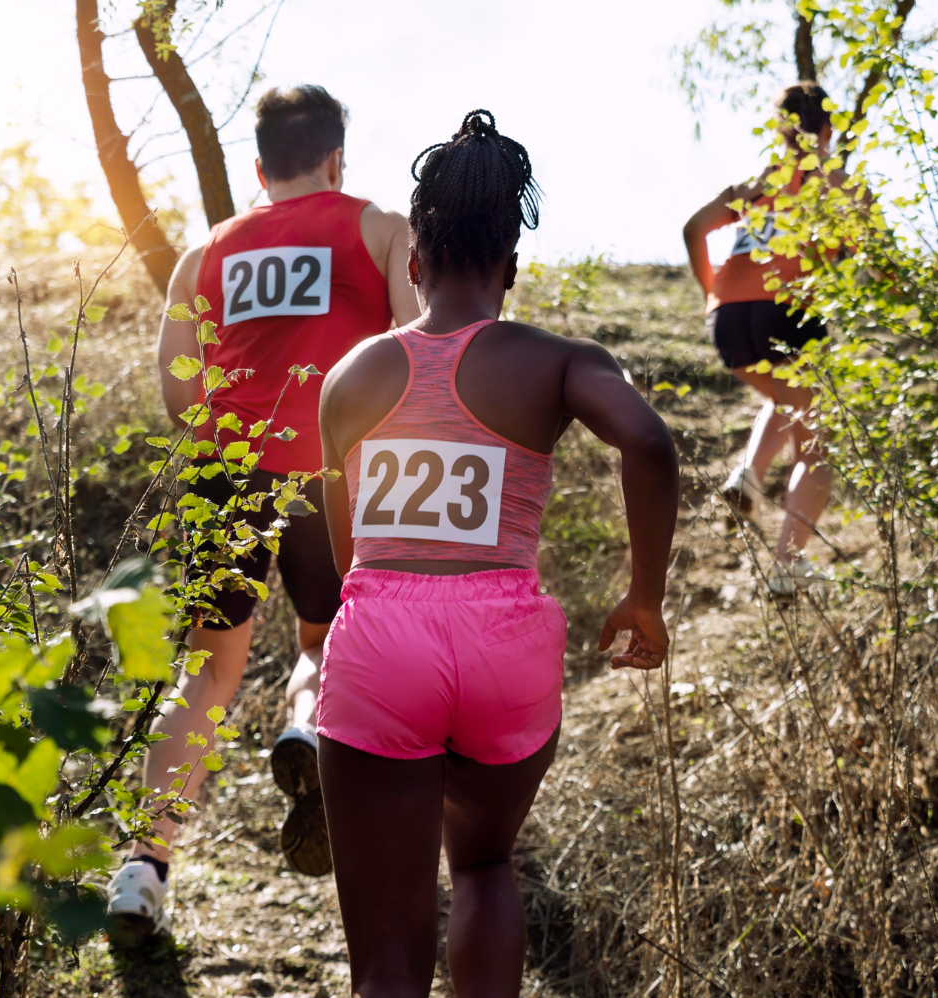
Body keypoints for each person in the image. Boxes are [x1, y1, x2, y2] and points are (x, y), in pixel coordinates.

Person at [315, 110, 679, 997]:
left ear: (414, 263)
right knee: (483, 870)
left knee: (386, 970)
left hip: (382, 640)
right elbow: (649, 443)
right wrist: (643, 599)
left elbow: (347, 544)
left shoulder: (351, 376)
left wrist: (372, 614)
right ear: (510, 270)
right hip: (504, 646)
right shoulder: (554, 361)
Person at [107, 84, 420, 944]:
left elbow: (177, 390)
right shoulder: (381, 228)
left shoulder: (205, 251)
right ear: (334, 157)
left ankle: (142, 870)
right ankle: (305, 727)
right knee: (322, 639)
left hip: (225, 473)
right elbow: (422, 344)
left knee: (208, 670)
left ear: (257, 167)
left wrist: (234, 432)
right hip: (335, 469)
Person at [683, 81, 858, 592]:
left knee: (788, 398)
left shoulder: (756, 184)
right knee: (815, 447)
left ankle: (749, 479)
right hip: (788, 313)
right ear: (826, 130)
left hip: (729, 321)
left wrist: (711, 291)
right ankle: (786, 568)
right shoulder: (837, 183)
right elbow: (870, 258)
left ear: (780, 130)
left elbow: (693, 229)